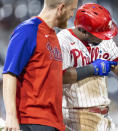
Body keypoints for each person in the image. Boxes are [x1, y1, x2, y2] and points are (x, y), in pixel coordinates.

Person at [57, 3, 118, 131]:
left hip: (103, 115)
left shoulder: (103, 41)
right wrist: (92, 69)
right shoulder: (62, 40)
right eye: (100, 35)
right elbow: (61, 76)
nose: (105, 38)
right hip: (74, 117)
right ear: (83, 30)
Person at [2, 0, 78, 130]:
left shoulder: (53, 36)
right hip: (32, 121)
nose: (72, 14)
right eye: (72, 10)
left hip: (53, 123)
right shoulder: (28, 30)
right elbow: (9, 74)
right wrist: (11, 116)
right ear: (61, 8)